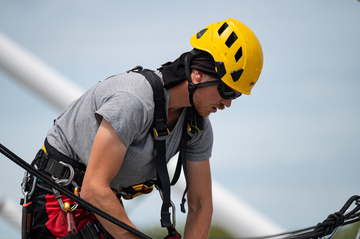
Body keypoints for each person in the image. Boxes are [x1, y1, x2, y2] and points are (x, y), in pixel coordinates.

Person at [24, 18, 263, 239]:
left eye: (236, 96)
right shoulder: (134, 101)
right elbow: (94, 189)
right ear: (198, 74)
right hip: (59, 198)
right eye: (227, 91)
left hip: (98, 202)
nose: (228, 103)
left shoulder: (197, 128)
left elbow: (200, 205)